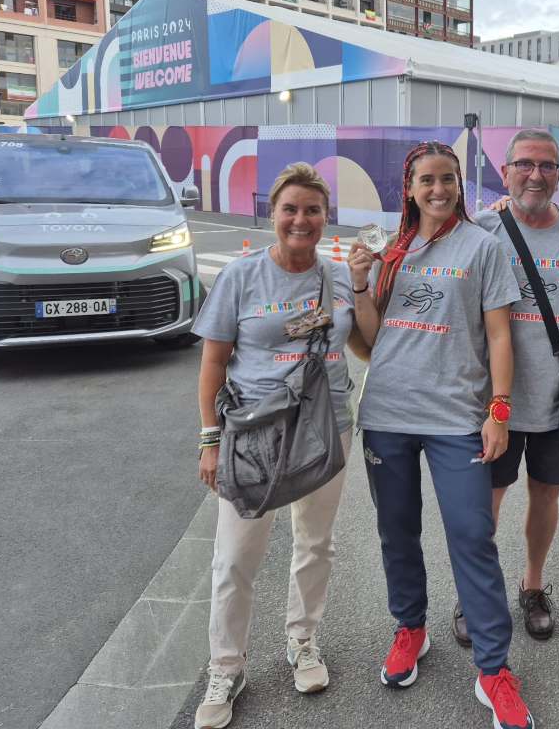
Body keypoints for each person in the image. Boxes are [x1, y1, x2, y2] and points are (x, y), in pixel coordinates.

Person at [347, 141, 535, 729]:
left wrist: (499, 409)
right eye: (426, 179)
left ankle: (494, 669)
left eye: (448, 179)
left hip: (458, 417)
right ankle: (411, 629)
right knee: (396, 531)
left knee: (472, 536)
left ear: (460, 184)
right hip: (387, 414)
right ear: (409, 188)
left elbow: (501, 336)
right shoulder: (390, 252)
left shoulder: (483, 246)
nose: (438, 189)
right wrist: (358, 284)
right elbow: (372, 340)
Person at [191, 162, 370, 729]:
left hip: (327, 425)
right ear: (272, 214)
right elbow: (213, 363)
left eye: (313, 210)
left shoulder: (338, 276)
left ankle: (303, 640)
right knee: (235, 557)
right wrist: (209, 440)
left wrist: (364, 287)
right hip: (254, 433)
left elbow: (366, 346)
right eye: (290, 209)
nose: (301, 219)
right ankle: (226, 666)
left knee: (315, 542)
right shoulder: (241, 277)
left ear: (325, 218)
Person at [455, 128, 559, 645]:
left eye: (547, 165)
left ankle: (532, 586)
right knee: (487, 501)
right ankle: (475, 595)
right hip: (495, 400)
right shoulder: (483, 228)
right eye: (524, 164)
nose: (536, 174)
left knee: (545, 494)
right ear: (504, 172)